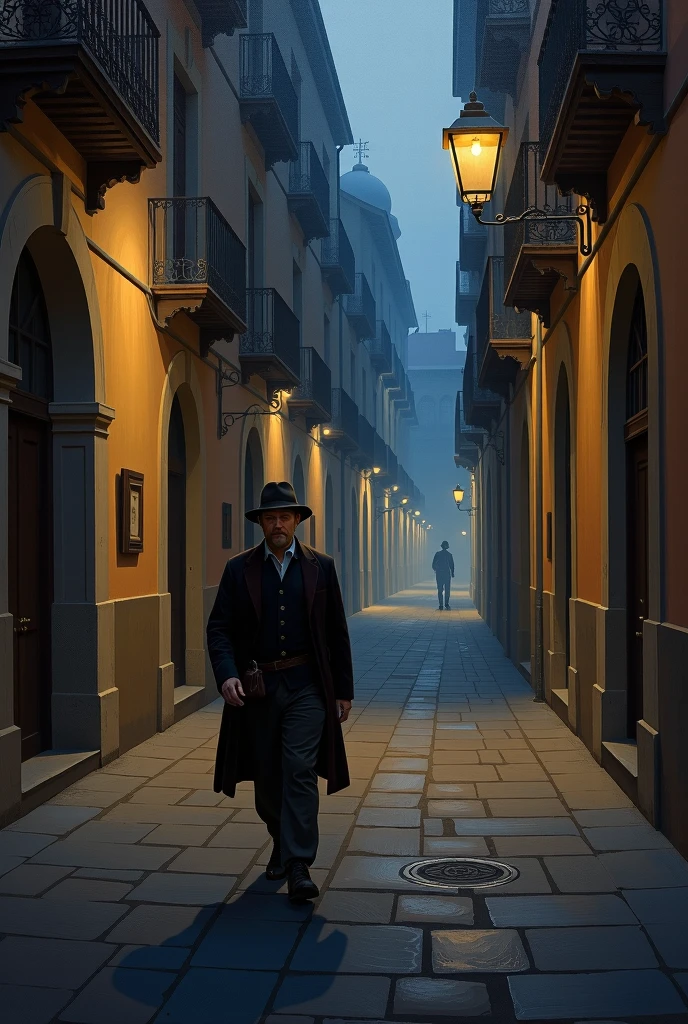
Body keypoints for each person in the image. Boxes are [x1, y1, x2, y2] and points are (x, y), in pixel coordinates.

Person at [207, 481, 353, 903]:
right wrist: (227, 674)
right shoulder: (239, 569)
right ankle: (280, 838)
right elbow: (219, 628)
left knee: (299, 768)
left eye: (284, 517)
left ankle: (299, 864)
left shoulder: (320, 566)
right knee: (268, 777)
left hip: (308, 685)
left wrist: (343, 689)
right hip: (259, 688)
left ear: (297, 521)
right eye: (270, 518)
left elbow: (336, 630)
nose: (277, 524)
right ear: (261, 523)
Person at [432, 540, 455, 610]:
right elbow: (452, 565)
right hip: (447, 574)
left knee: (440, 589)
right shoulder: (449, 555)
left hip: (439, 573)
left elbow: (433, 564)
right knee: (447, 589)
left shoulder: (437, 554)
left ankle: (441, 604)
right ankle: (446, 603)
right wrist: (452, 573)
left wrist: (436, 570)